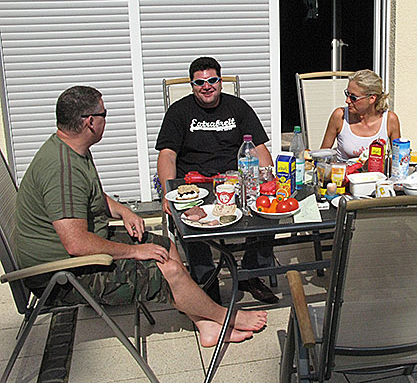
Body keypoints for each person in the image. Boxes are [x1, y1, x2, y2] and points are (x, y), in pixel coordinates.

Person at [14, 86, 267, 347]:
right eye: (104, 114)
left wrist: (123, 211)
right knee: (169, 270)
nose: (105, 119)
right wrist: (135, 251)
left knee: (165, 246)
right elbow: (76, 243)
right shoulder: (62, 169)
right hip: (62, 276)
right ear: (90, 122)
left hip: (76, 256)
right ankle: (227, 317)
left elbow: (89, 195)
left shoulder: (71, 148)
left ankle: (206, 326)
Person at [156, 56, 278, 304]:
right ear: (192, 85)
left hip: (235, 182)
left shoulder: (238, 107)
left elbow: (258, 148)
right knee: (188, 220)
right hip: (194, 186)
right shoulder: (179, 111)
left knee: (268, 210)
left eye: (212, 80)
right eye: (199, 82)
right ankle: (207, 280)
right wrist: (168, 193)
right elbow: (167, 154)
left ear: (220, 81)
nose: (207, 86)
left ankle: (251, 274)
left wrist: (268, 182)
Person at [320, 69, 401, 161]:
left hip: (376, 170)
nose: (347, 100)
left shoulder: (390, 120)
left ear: (372, 98)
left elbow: (398, 159)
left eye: (353, 97)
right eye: (347, 94)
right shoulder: (340, 116)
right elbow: (322, 155)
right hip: (343, 169)